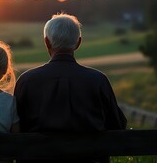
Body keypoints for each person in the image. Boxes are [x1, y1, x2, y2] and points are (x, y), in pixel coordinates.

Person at [14, 13, 127, 163]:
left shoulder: (26, 81)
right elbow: (118, 126)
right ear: (78, 43)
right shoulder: (98, 80)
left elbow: (16, 129)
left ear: (47, 42)